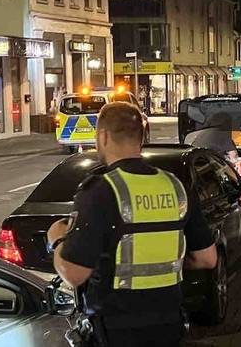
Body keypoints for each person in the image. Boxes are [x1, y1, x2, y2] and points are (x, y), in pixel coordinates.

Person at [46, 102, 217, 347]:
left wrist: (57, 239)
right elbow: (207, 259)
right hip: (169, 326)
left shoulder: (100, 190)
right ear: (141, 137)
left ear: (103, 136)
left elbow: (74, 274)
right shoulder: (175, 186)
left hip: (116, 331)